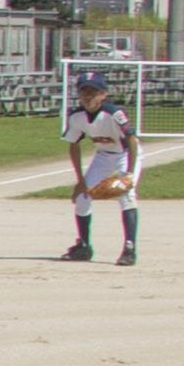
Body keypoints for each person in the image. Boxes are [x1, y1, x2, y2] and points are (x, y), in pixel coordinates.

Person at [64, 68, 142, 263]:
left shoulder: (114, 114)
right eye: (84, 92)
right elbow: (73, 146)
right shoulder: (76, 116)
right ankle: (84, 246)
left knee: (126, 195)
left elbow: (131, 140)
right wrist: (80, 181)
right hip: (103, 155)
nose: (88, 96)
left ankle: (129, 249)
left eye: (94, 92)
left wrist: (130, 175)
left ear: (103, 94)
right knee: (83, 197)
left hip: (126, 154)